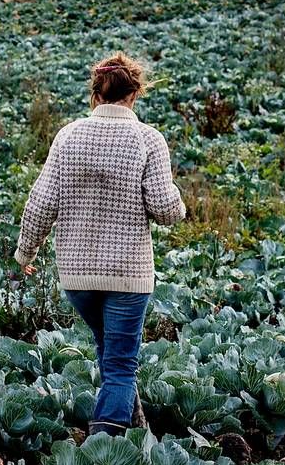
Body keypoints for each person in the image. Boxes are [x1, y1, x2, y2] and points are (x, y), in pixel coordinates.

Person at [13, 52, 186, 436]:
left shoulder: (68, 136)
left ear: (96, 94)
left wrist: (25, 252)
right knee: (122, 363)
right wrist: (178, 203)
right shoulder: (148, 139)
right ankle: (103, 444)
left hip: (78, 276)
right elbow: (164, 208)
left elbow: (41, 202)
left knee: (111, 353)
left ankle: (138, 428)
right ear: (135, 93)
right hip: (128, 274)